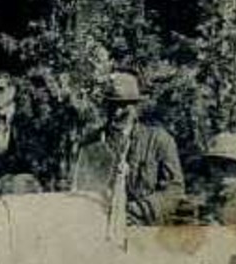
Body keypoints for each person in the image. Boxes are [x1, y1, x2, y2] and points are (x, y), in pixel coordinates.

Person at [71, 71, 185, 226]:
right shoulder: (92, 144)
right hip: (99, 227)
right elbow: (81, 191)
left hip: (144, 232)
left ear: (136, 106)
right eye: (112, 105)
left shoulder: (159, 141)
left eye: (123, 105)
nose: (117, 112)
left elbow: (174, 191)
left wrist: (136, 210)